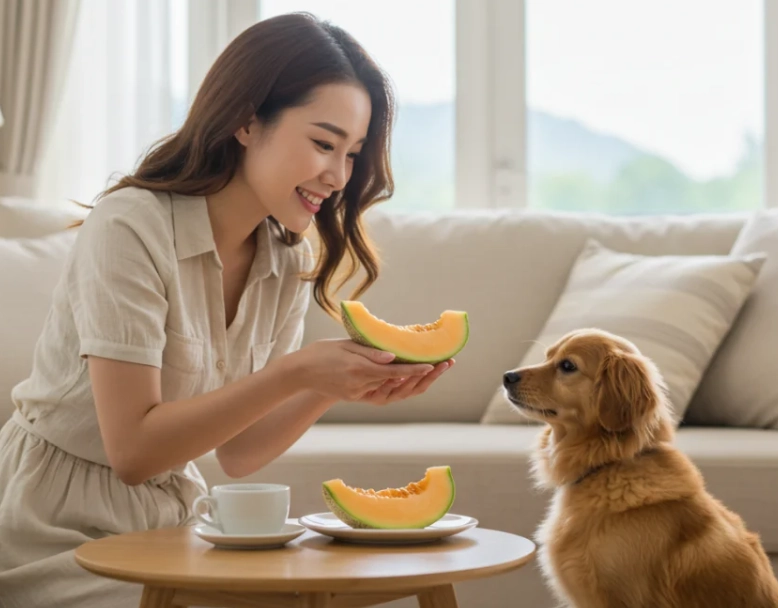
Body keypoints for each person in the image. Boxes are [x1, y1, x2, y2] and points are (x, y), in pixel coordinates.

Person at [0, 12, 453, 608]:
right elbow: (133, 453)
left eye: (352, 154)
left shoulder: (287, 255)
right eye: (323, 143)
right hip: (53, 525)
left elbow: (239, 453)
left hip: (175, 519)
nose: (338, 176)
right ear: (246, 120)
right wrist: (296, 372)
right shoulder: (131, 225)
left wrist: (330, 386)